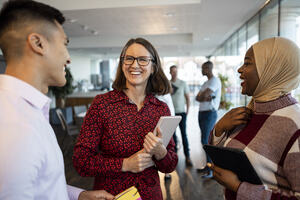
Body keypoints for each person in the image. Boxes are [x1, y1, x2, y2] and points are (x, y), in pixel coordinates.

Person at [0, 1, 114, 200]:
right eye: (64, 43)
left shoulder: (27, 111)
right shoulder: (14, 126)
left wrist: (79, 195)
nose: (68, 58)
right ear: (38, 44)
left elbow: (41, 186)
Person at [73, 38, 178, 200]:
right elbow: (81, 161)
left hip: (151, 194)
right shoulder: (102, 104)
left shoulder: (161, 108)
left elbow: (170, 165)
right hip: (112, 195)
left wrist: (161, 152)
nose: (134, 65)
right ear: (122, 64)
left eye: (143, 60)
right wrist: (125, 164)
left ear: (153, 67)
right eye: (129, 58)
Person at [208, 37, 300, 199]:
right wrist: (219, 128)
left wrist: (238, 187)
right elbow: (227, 152)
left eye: (248, 63)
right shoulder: (251, 110)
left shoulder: (294, 126)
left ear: (272, 69)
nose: (240, 70)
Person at [195, 61, 221, 178]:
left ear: (209, 68)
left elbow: (204, 96)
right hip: (202, 113)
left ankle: (211, 170)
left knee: (207, 140)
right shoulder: (206, 83)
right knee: (204, 140)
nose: (201, 70)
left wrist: (204, 96)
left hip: (209, 113)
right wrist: (203, 97)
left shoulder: (215, 81)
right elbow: (198, 98)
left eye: (203, 68)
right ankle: (208, 165)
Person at [169, 65, 193, 166]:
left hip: (181, 112)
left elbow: (187, 98)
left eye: (176, 71)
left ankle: (187, 157)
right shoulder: (168, 84)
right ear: (170, 72)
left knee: (184, 135)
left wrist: (187, 110)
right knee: (173, 137)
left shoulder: (183, 83)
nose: (174, 73)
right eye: (172, 71)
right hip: (170, 114)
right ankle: (174, 158)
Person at [156, 93, 175, 180]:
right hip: (169, 122)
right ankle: (167, 173)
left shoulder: (161, 100)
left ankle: (167, 173)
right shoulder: (165, 96)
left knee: (166, 147)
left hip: (165, 123)